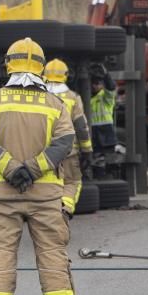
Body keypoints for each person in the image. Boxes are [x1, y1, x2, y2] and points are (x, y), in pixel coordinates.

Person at [0, 37, 78, 295]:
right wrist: (33, 169)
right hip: (45, 196)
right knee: (52, 254)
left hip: (3, 196)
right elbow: (65, 142)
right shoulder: (55, 104)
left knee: (2, 253)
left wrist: (10, 168)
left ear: (9, 64)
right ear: (40, 67)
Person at [43, 58, 93, 216]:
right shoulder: (72, 98)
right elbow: (81, 127)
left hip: (42, 153)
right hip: (68, 152)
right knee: (72, 182)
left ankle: (46, 214)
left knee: (44, 185)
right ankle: (65, 208)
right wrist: (87, 151)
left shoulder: (38, 97)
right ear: (65, 75)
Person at [89, 63, 117, 179]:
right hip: (94, 133)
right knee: (96, 162)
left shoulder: (106, 97)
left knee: (108, 162)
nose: (95, 86)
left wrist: (106, 74)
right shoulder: (87, 98)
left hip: (106, 133)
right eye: (93, 84)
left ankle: (108, 178)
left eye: (98, 83)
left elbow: (111, 87)